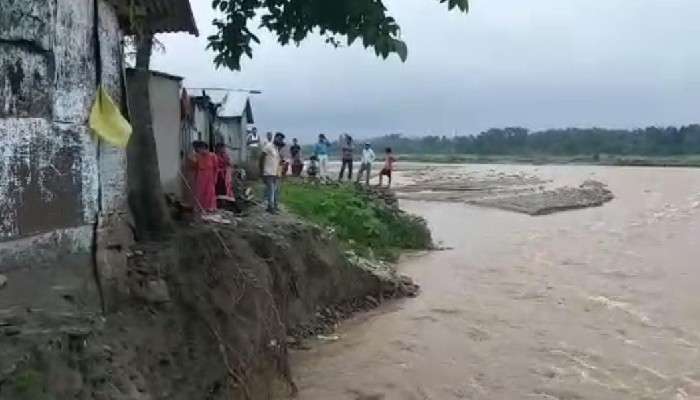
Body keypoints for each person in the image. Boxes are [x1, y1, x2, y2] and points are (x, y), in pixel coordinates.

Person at [189, 141, 218, 212]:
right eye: (197, 148)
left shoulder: (212, 155)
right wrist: (192, 159)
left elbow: (216, 168)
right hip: (201, 174)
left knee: (210, 191)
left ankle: (210, 207)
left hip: (210, 174)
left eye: (200, 148)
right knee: (200, 191)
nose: (199, 150)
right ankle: (200, 207)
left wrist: (215, 177)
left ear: (204, 148)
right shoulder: (197, 156)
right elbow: (193, 167)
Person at [259, 132, 283, 213]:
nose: (280, 140)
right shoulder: (268, 146)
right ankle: (270, 207)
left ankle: (274, 206)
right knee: (271, 190)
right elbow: (261, 158)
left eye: (281, 139)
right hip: (268, 172)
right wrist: (261, 171)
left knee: (275, 190)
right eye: (279, 138)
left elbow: (277, 161)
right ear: (275, 138)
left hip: (275, 173)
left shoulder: (276, 149)